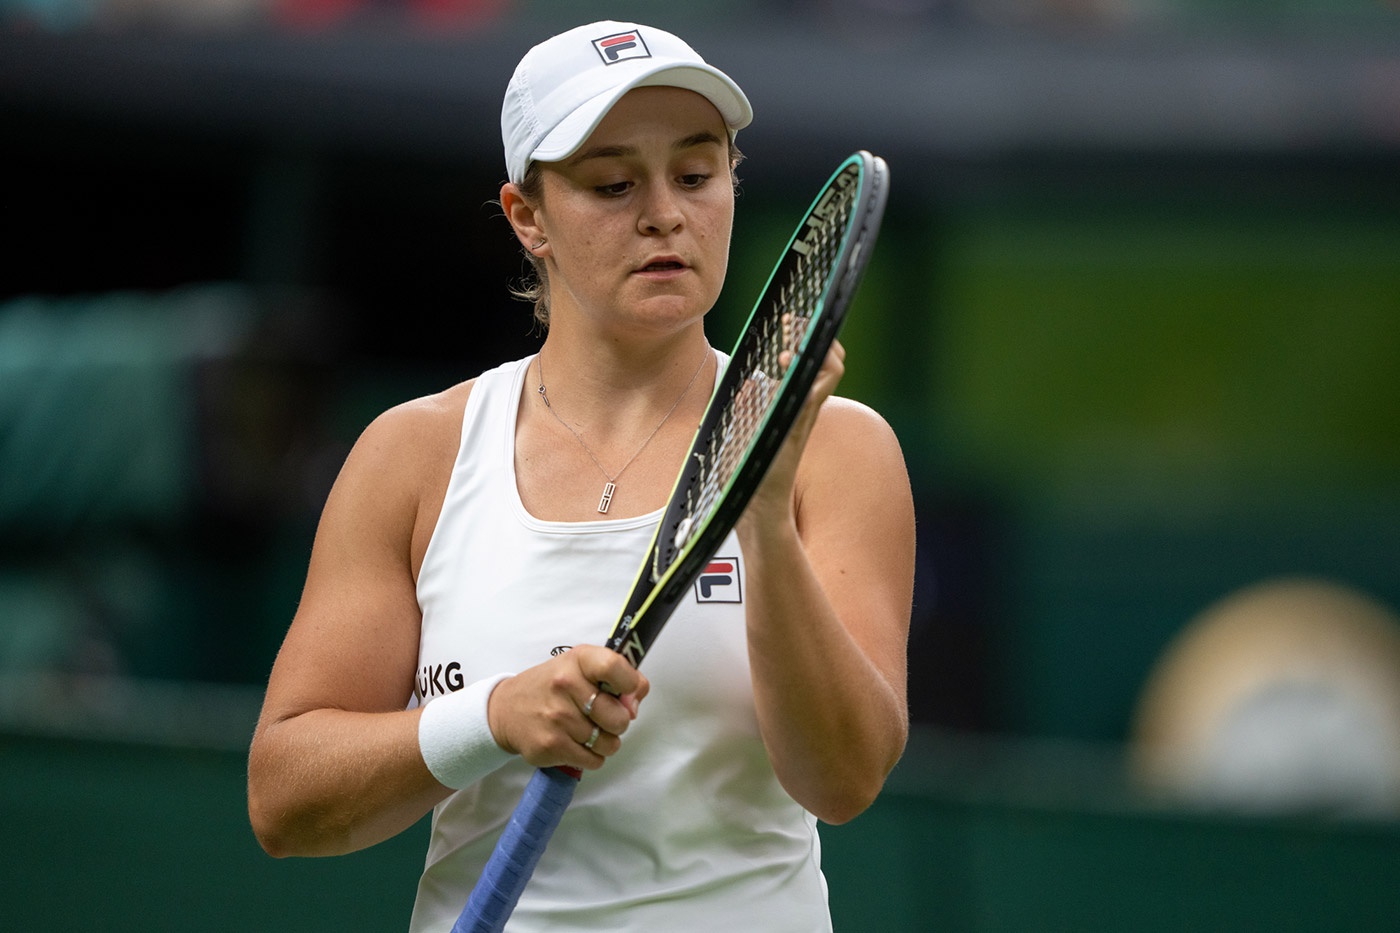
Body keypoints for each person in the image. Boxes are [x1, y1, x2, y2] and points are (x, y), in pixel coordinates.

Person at [247, 20, 915, 932]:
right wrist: (493, 717)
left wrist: (761, 513)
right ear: (528, 217)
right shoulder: (413, 454)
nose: (664, 213)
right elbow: (285, 800)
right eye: (612, 184)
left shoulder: (838, 448)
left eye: (696, 174)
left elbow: (845, 778)